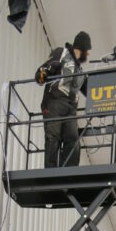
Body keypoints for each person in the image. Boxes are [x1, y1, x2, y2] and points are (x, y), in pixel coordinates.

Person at [36, 31, 92, 168]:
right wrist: (41, 74)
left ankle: (69, 171)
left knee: (73, 138)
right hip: (54, 101)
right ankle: (50, 171)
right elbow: (45, 68)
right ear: (82, 48)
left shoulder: (80, 70)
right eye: (88, 51)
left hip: (70, 107)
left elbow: (90, 90)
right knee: (53, 136)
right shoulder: (61, 54)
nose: (89, 54)